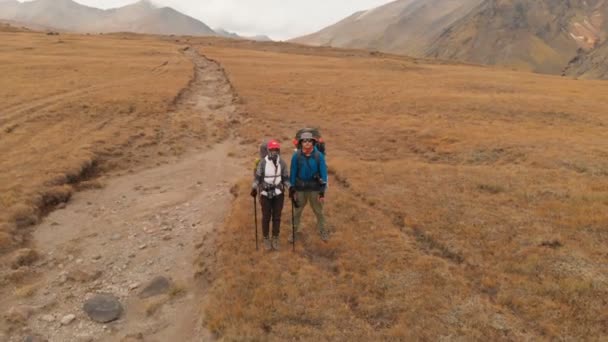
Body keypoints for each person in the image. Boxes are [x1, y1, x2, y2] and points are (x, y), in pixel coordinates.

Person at [289, 132, 329, 242]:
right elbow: (293, 172)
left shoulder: (319, 156)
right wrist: (291, 187)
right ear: (301, 143)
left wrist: (322, 191)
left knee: (319, 211)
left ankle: (323, 231)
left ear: (313, 142)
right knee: (297, 211)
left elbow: (323, 173)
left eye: (309, 141)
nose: (307, 143)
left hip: (315, 188)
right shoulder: (296, 156)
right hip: (300, 188)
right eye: (304, 141)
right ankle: (294, 232)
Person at [251, 140, 290, 251]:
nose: (274, 152)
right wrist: (254, 188)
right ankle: (266, 238)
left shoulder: (282, 163)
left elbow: (285, 178)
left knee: (277, 217)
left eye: (276, 149)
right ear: (268, 150)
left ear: (279, 150)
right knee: (266, 217)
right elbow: (257, 178)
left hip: (279, 194)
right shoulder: (262, 163)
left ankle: (275, 238)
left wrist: (291, 188)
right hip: (265, 194)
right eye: (272, 149)